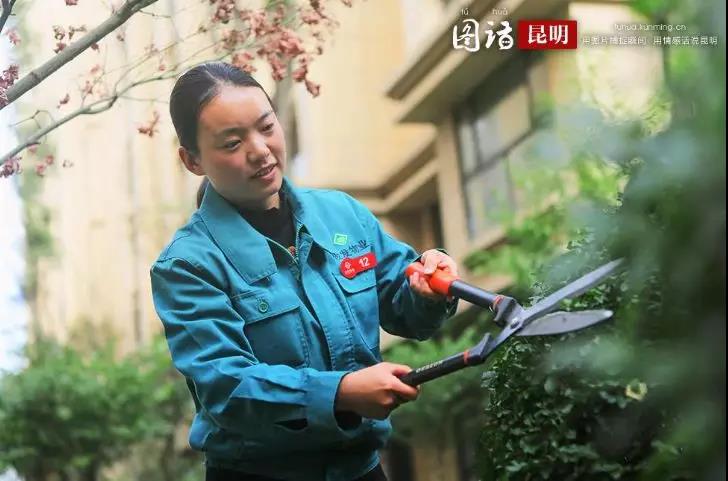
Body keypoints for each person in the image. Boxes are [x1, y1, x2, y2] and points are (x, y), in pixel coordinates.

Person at [150, 61, 460, 481]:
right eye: (232, 142)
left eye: (267, 127)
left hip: (362, 469)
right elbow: (226, 387)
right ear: (192, 160)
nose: (260, 150)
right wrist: (341, 394)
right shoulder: (188, 265)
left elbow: (403, 307)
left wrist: (427, 289)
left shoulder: (342, 215)